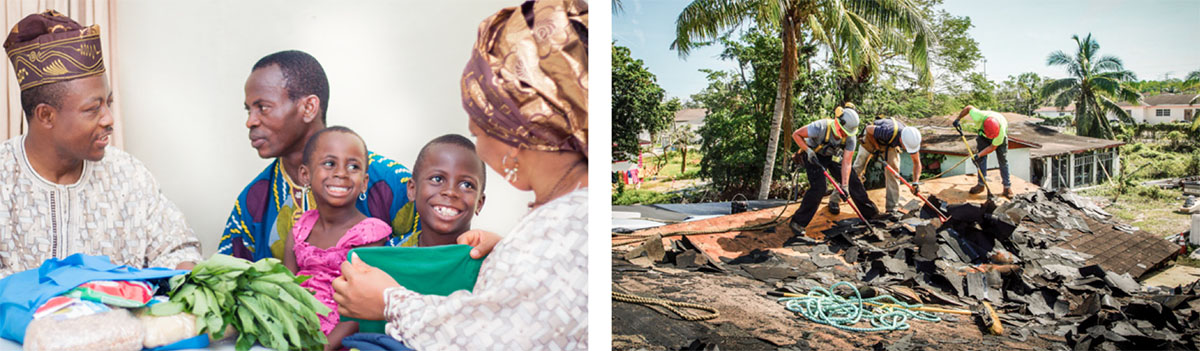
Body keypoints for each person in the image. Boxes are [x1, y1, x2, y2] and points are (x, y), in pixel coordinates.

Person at [331, 0, 588, 349]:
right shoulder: (567, 215)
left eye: (479, 128)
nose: (478, 143)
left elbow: (484, 340)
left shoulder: (560, 229)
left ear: (514, 125)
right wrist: (507, 254)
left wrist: (390, 302)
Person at [0, 10, 201, 278]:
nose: (108, 119)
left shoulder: (128, 175)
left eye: (108, 102)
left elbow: (180, 250)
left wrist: (184, 274)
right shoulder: (5, 178)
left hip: (119, 320)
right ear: (46, 115)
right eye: (93, 109)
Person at [218, 50, 418, 262]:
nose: (251, 121)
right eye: (249, 110)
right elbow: (225, 280)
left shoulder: (390, 181)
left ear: (309, 107)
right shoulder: (253, 200)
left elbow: (435, 255)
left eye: (263, 108)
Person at [282, 126, 391, 351]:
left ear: (364, 181)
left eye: (353, 166)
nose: (341, 173)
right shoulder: (299, 230)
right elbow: (285, 289)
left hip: (341, 340)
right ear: (305, 175)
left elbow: (361, 310)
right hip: (294, 332)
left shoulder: (369, 235)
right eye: (330, 164)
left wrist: (322, 348)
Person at [788, 102, 879, 236]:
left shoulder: (850, 138)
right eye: (843, 131)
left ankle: (870, 214)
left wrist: (845, 186)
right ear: (838, 122)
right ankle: (798, 222)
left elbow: (847, 163)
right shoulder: (820, 126)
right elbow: (796, 134)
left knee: (853, 180)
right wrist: (808, 151)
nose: (843, 135)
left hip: (832, 156)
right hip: (813, 155)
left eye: (847, 133)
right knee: (819, 188)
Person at [408, 134, 487, 247]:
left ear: (479, 203)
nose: (450, 192)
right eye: (437, 179)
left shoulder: (493, 261)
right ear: (413, 189)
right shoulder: (388, 255)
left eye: (467, 185)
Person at [848, 117, 923, 215]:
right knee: (857, 168)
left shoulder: (911, 139)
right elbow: (868, 129)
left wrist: (916, 182)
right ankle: (836, 198)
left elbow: (917, 163)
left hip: (888, 143)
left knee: (894, 171)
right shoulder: (887, 131)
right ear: (901, 140)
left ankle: (892, 208)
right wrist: (877, 149)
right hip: (871, 138)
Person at [952, 105, 1013, 198]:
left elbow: (992, 147)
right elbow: (968, 108)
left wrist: (978, 155)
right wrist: (958, 119)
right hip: (982, 136)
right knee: (981, 160)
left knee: (1003, 160)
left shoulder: (1000, 133)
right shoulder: (978, 116)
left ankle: (1007, 187)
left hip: (999, 139)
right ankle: (981, 184)